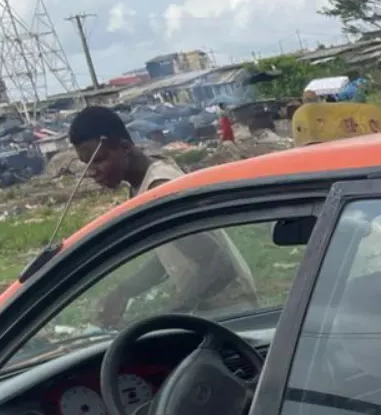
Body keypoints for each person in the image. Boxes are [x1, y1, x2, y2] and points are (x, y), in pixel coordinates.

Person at [67, 106, 258, 326]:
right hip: (211, 311)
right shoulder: (141, 186)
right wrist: (124, 291)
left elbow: (219, 264)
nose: (92, 172)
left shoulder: (160, 187)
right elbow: (169, 247)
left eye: (98, 160)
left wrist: (171, 314)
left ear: (125, 147)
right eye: (87, 165)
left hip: (231, 312)